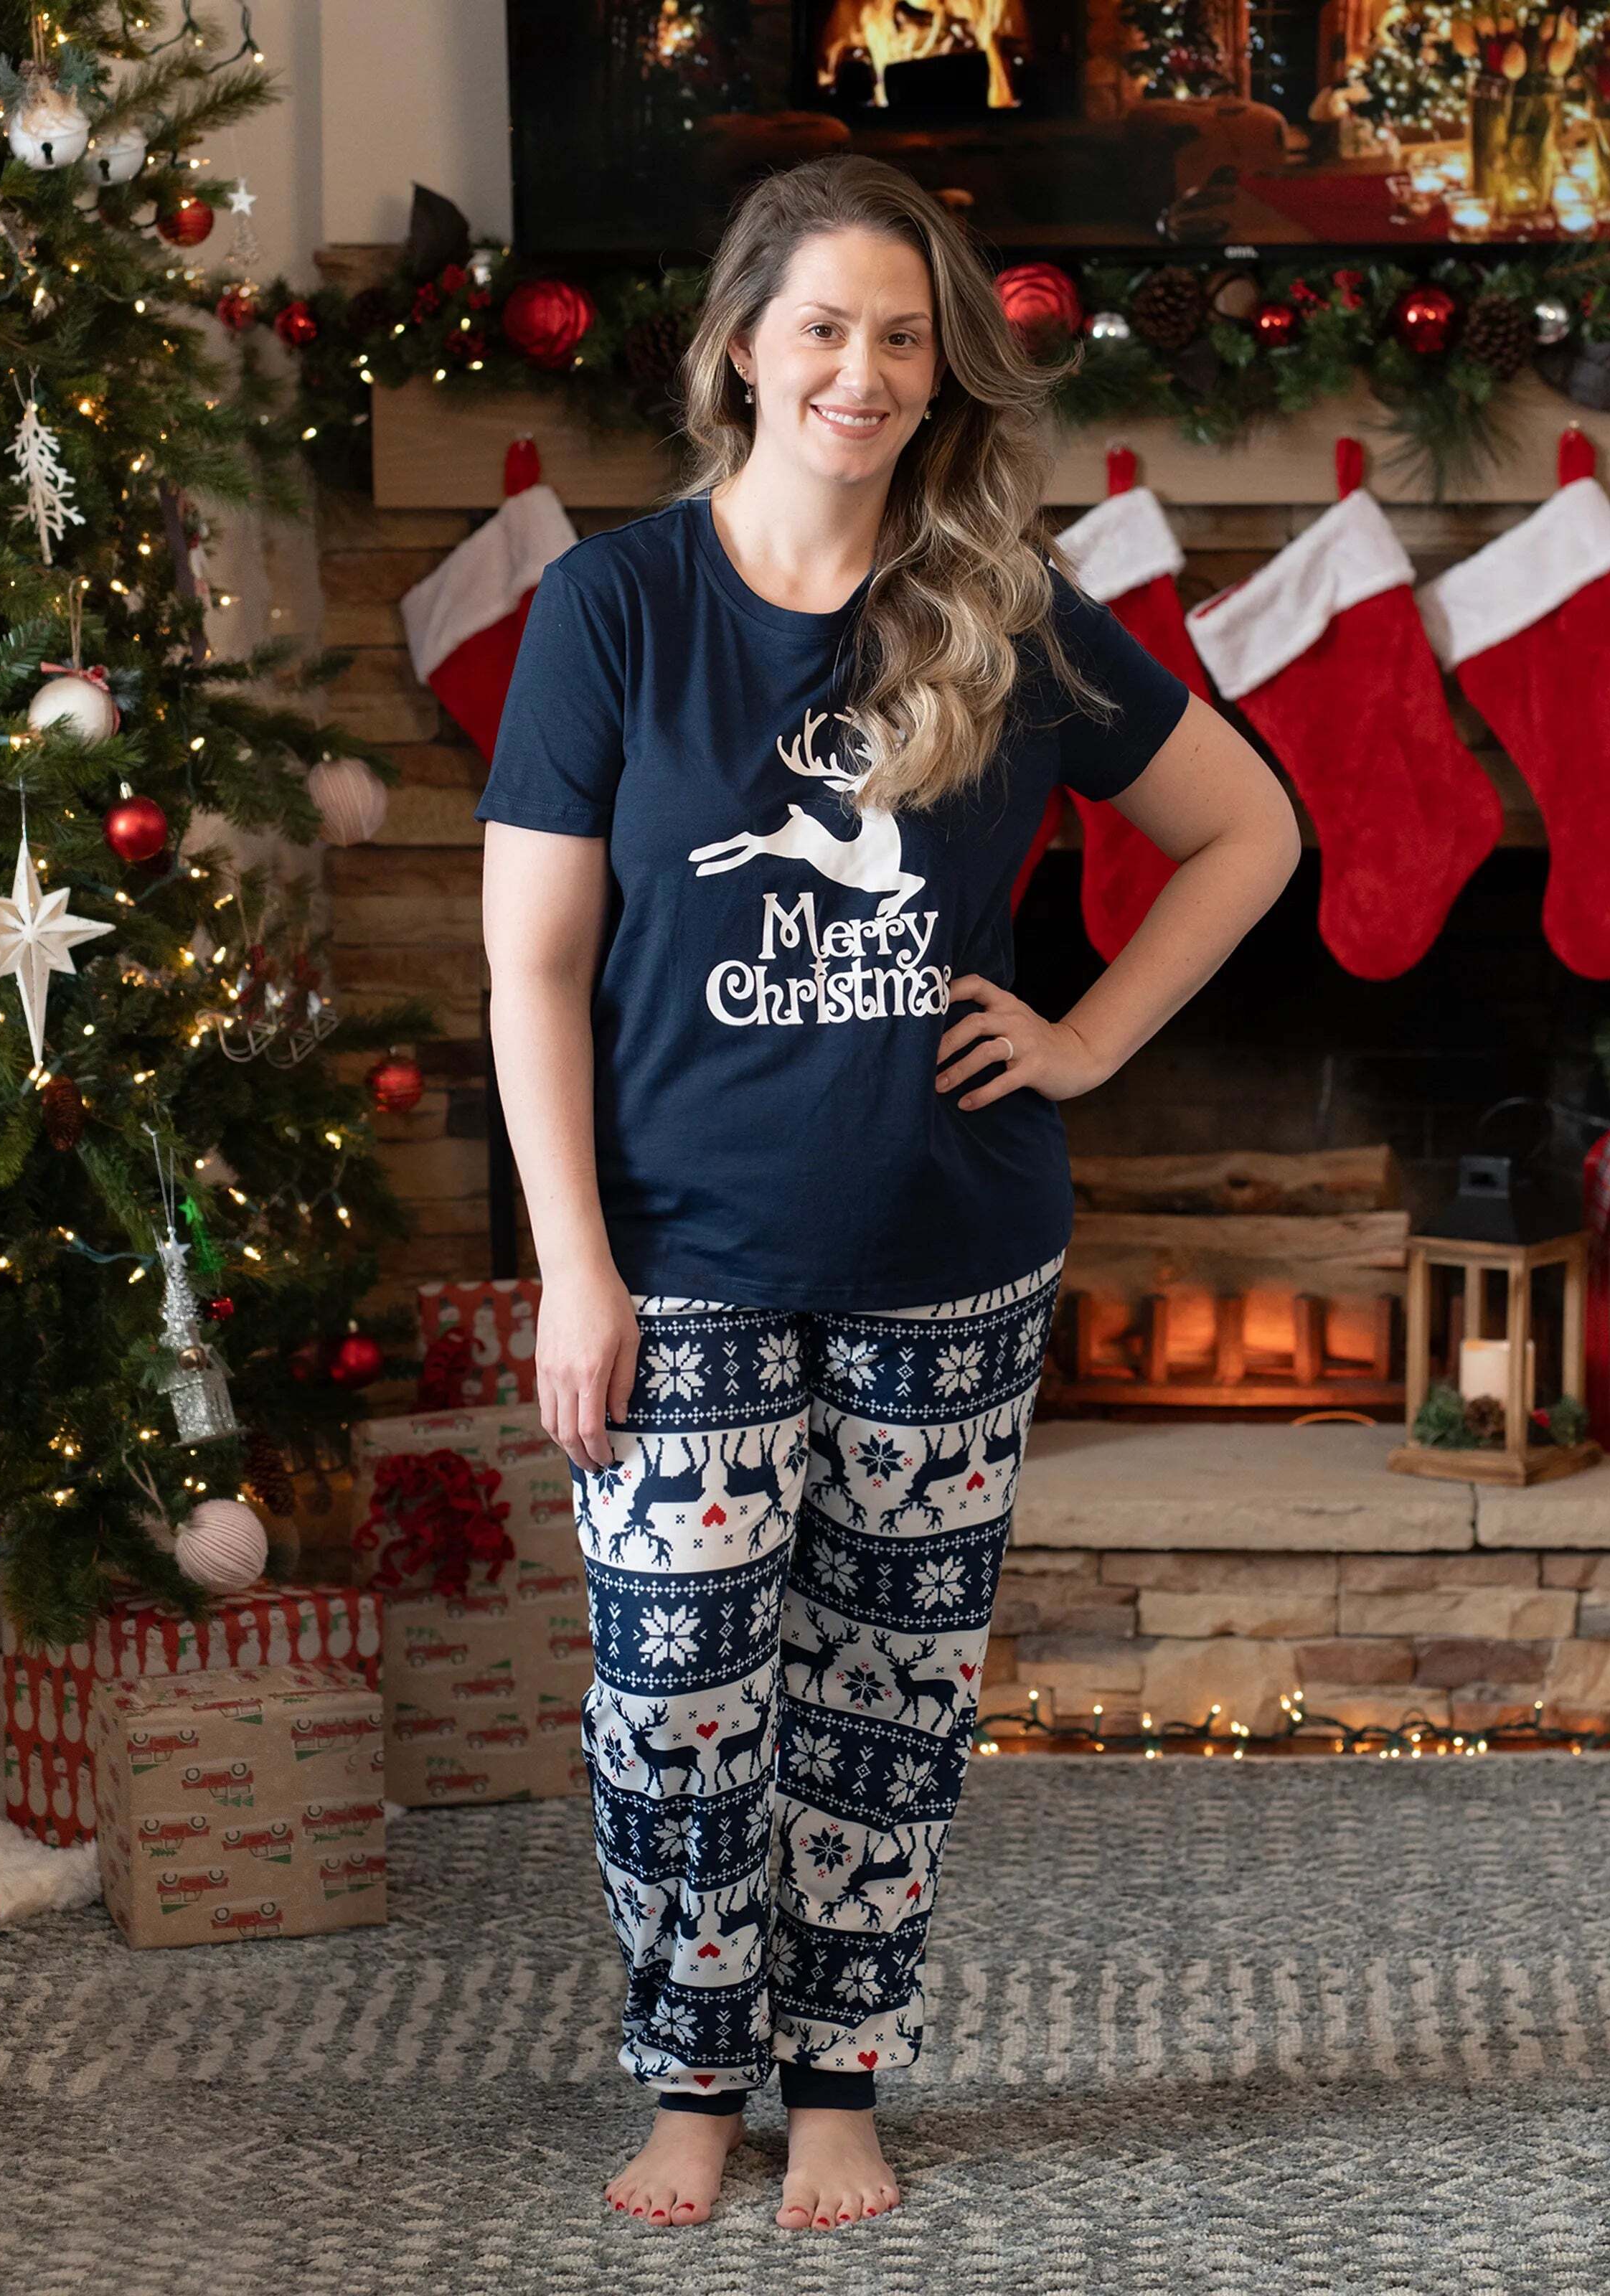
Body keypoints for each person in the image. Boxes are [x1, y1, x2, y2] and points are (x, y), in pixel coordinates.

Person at [478, 153, 1299, 2233]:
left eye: (905, 337)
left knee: (885, 1703)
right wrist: (572, 1269)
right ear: (743, 348)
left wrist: (1086, 1042)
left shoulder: (1002, 613)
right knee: (676, 1698)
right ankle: (692, 2077)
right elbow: (534, 966)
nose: (863, 370)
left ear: (945, 374)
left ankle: (836, 2081)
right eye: (825, 327)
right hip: (680, 1263)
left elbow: (1251, 830)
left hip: (950, 1255)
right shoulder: (612, 609)